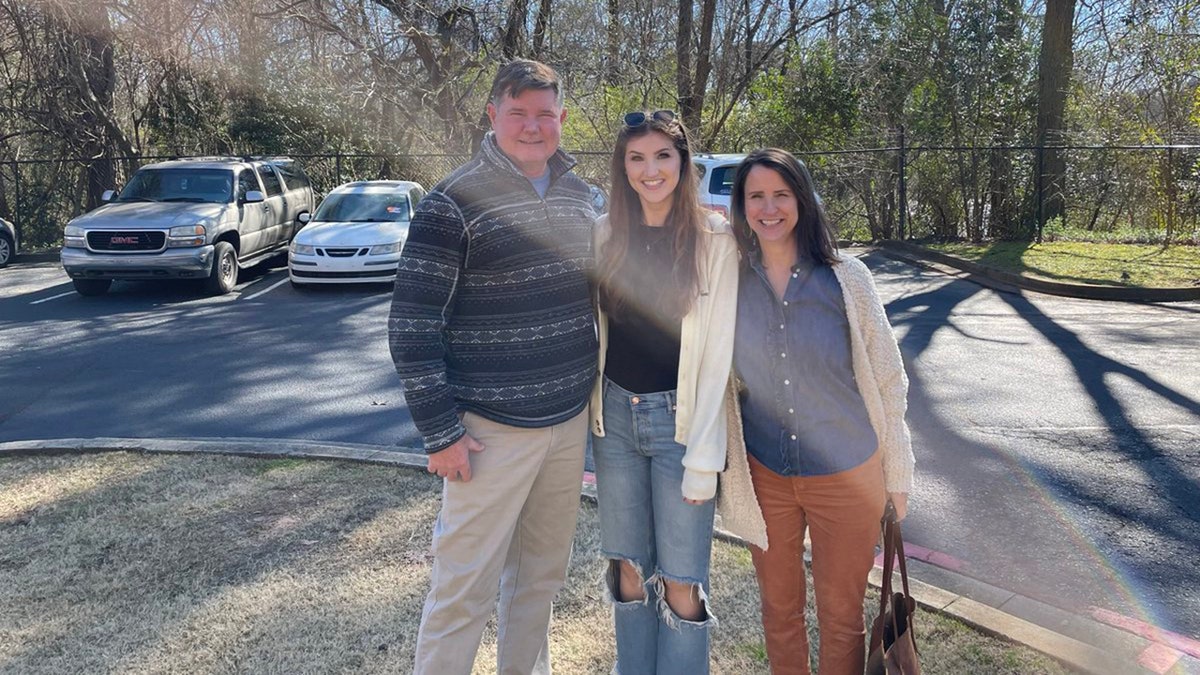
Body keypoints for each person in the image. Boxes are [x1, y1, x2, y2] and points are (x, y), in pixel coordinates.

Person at [388, 59, 598, 675]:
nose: (533, 127)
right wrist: (441, 431)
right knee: (464, 588)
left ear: (561, 118)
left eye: (545, 114)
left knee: (540, 579)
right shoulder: (452, 202)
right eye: (518, 113)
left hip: (566, 424)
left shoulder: (579, 196)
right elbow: (411, 326)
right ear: (492, 115)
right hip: (488, 433)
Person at [728, 148, 915, 675]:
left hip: (848, 475)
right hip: (765, 473)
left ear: (804, 201)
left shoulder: (847, 279)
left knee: (841, 617)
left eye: (781, 195)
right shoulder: (728, 281)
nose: (769, 208)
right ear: (740, 207)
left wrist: (897, 475)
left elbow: (888, 380)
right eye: (755, 196)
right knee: (779, 612)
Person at [589, 109, 745, 674]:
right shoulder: (604, 233)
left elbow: (719, 356)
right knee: (630, 575)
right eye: (635, 158)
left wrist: (706, 458)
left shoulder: (715, 242)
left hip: (680, 424)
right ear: (622, 166)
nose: (649, 170)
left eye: (662, 156)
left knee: (682, 585)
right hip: (614, 418)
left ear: (683, 162)